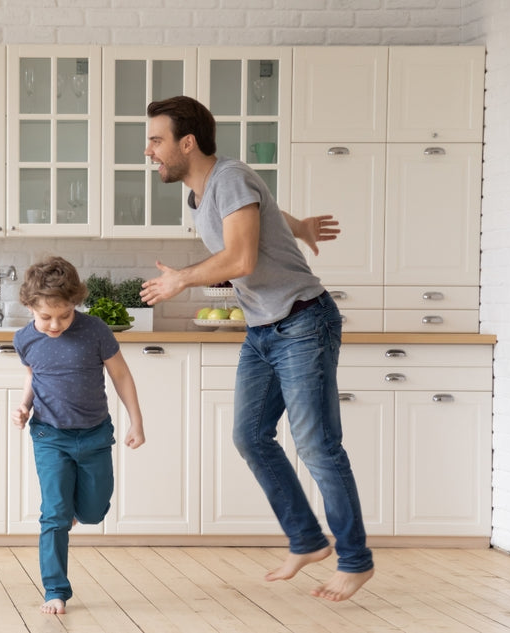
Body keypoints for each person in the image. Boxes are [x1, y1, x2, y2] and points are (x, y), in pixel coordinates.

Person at [139, 96, 374, 602]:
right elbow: (255, 211)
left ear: (188, 142)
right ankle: (308, 540)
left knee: (317, 445)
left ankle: (355, 560)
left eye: (156, 141)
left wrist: (182, 279)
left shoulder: (229, 176)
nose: (149, 151)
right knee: (250, 435)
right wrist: (300, 226)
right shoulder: (205, 192)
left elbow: (241, 256)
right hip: (265, 329)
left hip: (303, 322)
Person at [12, 255, 145, 615]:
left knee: (93, 511)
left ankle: (74, 510)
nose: (55, 325)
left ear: (76, 304)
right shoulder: (24, 338)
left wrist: (136, 420)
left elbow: (121, 376)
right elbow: (32, 376)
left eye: (64, 315)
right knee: (54, 514)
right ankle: (55, 590)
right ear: (29, 307)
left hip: (94, 436)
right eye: (45, 318)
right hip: (49, 435)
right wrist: (24, 406)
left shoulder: (95, 331)